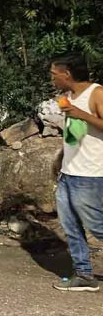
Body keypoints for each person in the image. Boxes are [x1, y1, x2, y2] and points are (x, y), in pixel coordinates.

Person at [49, 54, 103, 292]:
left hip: (91, 173)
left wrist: (82, 114)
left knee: (98, 226)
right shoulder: (69, 97)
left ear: (67, 74)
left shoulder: (97, 93)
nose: (52, 79)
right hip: (69, 172)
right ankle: (84, 274)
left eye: (54, 74)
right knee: (70, 226)